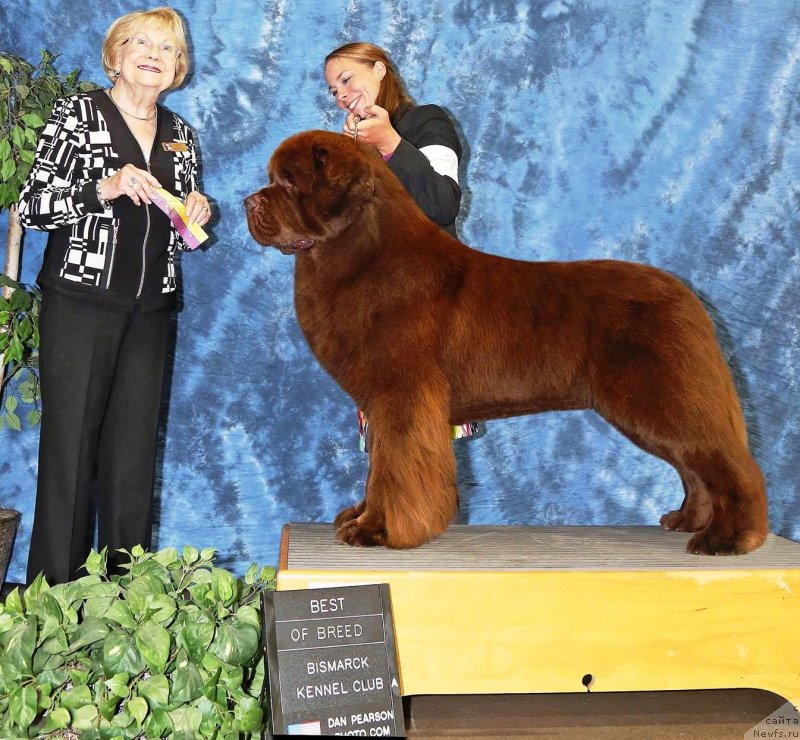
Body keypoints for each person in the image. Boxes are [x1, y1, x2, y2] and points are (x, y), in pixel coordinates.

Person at [19, 7, 211, 585]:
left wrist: (195, 212)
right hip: (80, 303)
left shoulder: (181, 135)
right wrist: (103, 187)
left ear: (178, 67)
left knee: (131, 465)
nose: (155, 54)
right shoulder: (77, 114)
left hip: (152, 308)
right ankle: (52, 604)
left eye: (168, 49)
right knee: (70, 460)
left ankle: (130, 606)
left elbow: (180, 224)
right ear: (116, 54)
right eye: (142, 43)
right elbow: (33, 205)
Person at [324, 42, 477, 450]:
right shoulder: (352, 150)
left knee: (427, 451)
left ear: (379, 69)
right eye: (333, 91)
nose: (341, 95)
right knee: (386, 447)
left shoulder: (428, 122)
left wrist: (390, 144)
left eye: (346, 80)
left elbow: (442, 202)